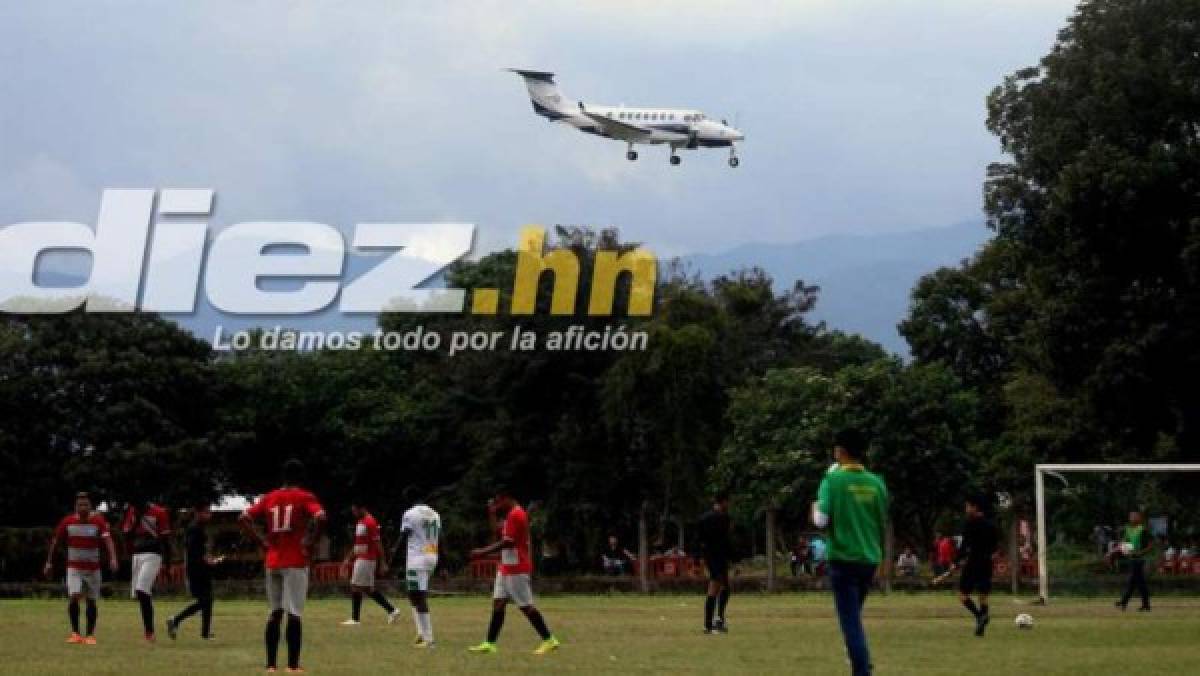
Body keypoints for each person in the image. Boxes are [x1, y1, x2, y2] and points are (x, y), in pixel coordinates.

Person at [812, 429, 888, 676]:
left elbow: (821, 521)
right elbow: (880, 520)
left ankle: (861, 668)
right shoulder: (877, 483)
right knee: (854, 616)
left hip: (843, 559)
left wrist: (814, 506)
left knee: (851, 624)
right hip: (869, 559)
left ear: (841, 452)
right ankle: (856, 656)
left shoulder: (832, 480)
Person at [239, 459, 327, 673]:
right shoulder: (304, 496)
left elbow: (244, 517)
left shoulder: (269, 497)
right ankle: (293, 666)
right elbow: (321, 516)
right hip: (295, 559)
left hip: (273, 560)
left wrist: (261, 541)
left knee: (275, 612)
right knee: (294, 613)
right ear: (301, 477)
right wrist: (310, 542)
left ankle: (270, 665)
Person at [468, 488, 560, 655]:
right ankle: (489, 643)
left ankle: (549, 640)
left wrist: (482, 552)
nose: (496, 503)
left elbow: (508, 542)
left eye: (498, 500)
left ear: (507, 497)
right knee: (498, 604)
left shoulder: (516, 514)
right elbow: (497, 530)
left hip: (517, 568)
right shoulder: (511, 515)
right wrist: (492, 512)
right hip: (506, 567)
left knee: (526, 607)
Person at [45, 492, 119, 645]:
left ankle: (90, 635)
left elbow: (108, 540)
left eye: (86, 504)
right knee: (75, 595)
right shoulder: (67, 522)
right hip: (74, 567)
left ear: (90, 506)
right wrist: (49, 562)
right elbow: (55, 542)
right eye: (80, 505)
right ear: (75, 507)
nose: (83, 507)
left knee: (91, 601)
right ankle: (76, 633)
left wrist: (113, 558)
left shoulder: (98, 521)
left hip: (93, 568)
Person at [166, 504, 223, 640]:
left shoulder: (198, 529)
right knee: (205, 600)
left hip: (202, 568)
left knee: (208, 600)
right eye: (206, 512)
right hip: (196, 570)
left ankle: (205, 632)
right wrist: (208, 561)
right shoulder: (194, 529)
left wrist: (210, 559)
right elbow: (193, 552)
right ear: (198, 513)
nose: (209, 515)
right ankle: (175, 619)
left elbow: (201, 551)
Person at [945, 494, 998, 636]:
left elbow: (964, 547)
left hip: (973, 562)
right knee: (983, 595)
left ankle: (978, 615)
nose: (966, 509)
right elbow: (995, 547)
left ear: (975, 507)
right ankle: (983, 617)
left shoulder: (969, 524)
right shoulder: (991, 525)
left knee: (962, 594)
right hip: (987, 563)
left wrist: (955, 563)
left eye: (968, 506)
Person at [340, 502, 401, 626]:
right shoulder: (360, 522)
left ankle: (355, 619)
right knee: (367, 589)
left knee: (355, 586)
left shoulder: (370, 522)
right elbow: (357, 544)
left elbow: (378, 543)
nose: (354, 514)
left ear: (362, 508)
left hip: (366, 559)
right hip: (361, 558)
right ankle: (392, 610)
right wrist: (348, 559)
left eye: (355, 511)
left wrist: (383, 562)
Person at [121, 498, 172, 642]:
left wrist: (167, 564)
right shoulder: (131, 511)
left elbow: (165, 539)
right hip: (137, 555)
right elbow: (127, 534)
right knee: (140, 593)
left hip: (153, 554)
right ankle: (148, 630)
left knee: (142, 590)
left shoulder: (159, 512)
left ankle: (149, 632)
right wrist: (136, 520)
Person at [400, 500, 441, 647]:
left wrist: (392, 558)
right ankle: (421, 633)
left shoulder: (410, 513)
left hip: (417, 558)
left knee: (419, 596)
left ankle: (429, 640)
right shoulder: (435, 514)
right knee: (413, 594)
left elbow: (405, 534)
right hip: (431, 555)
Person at [696, 491, 734, 634]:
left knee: (724, 587)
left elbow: (699, 540)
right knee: (715, 586)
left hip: (711, 557)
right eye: (728, 502)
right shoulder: (725, 518)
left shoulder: (703, 518)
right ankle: (708, 624)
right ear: (723, 502)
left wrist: (699, 557)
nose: (729, 505)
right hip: (718, 557)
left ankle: (718, 619)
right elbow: (726, 540)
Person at [1115, 510, 1152, 612]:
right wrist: (1125, 550)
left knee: (1133, 581)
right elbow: (1124, 543)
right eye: (1131, 516)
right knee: (1139, 583)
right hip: (1132, 559)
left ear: (1139, 518)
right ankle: (1145, 605)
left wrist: (1140, 553)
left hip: (1139, 559)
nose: (1132, 518)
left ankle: (1123, 602)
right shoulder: (1128, 529)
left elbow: (1150, 545)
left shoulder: (1143, 529)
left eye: (1134, 516)